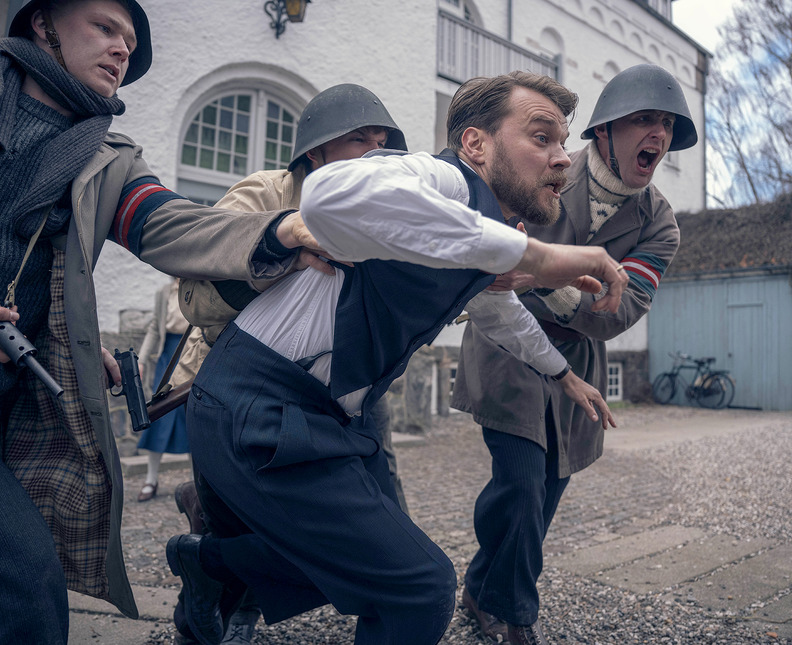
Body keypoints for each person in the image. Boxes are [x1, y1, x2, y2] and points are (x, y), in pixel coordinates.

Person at [166, 70, 627, 645]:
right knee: (419, 586)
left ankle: (208, 564)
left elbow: (499, 312)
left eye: (563, 143)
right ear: (476, 144)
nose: (563, 159)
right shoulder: (441, 178)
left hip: (325, 411)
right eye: (541, 138)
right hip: (258, 402)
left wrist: (565, 376)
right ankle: (216, 566)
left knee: (372, 561)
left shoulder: (468, 230)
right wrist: (538, 253)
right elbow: (330, 193)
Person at [0, 1, 317, 642]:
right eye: (105, 28)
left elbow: (174, 225)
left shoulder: (108, 157)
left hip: (5, 402)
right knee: (22, 580)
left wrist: (281, 230)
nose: (123, 49)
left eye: (130, 39)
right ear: (42, 24)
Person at [451, 63, 697, 644]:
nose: (656, 136)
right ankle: (515, 615)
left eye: (665, 125)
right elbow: (492, 254)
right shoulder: (547, 163)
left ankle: (480, 587)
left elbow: (619, 311)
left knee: (547, 491)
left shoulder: (660, 224)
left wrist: (541, 276)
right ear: (605, 130)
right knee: (519, 482)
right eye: (642, 120)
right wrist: (551, 277)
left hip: (578, 361)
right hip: (505, 343)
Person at [169, 82, 412, 645]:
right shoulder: (263, 195)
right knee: (241, 516)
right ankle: (210, 606)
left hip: (345, 391)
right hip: (242, 388)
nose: (375, 154)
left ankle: (212, 556)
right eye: (359, 140)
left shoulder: (385, 209)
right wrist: (284, 253)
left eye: (383, 143)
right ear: (315, 152)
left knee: (382, 529)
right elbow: (194, 298)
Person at [135, 278, 190, 502]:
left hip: (192, 353)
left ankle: (200, 482)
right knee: (158, 413)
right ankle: (151, 479)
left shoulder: (201, 285)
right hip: (167, 355)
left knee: (193, 415)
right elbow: (155, 328)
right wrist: (141, 358)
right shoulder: (164, 291)